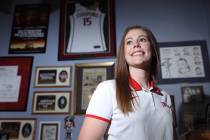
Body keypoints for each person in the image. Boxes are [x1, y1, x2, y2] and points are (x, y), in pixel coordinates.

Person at [78, 25, 174, 140]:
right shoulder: (107, 89)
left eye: (142, 40)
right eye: (129, 42)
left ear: (152, 50)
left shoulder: (165, 97)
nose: (136, 44)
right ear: (124, 53)